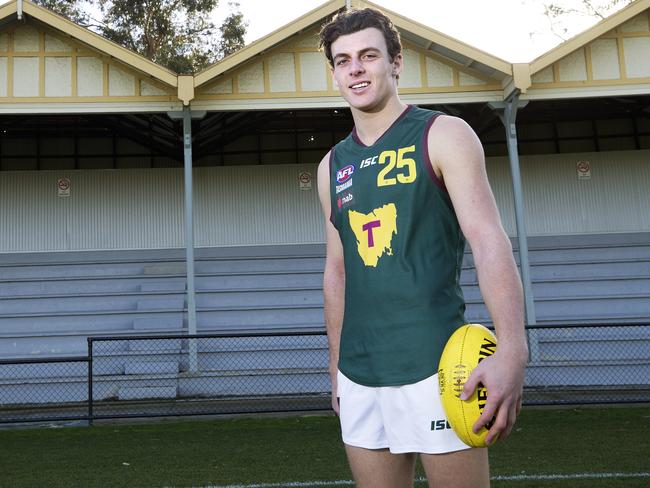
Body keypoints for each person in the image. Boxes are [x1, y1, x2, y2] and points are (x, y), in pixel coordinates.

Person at [316, 7, 529, 488]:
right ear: (333, 73)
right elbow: (337, 272)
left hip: (438, 365)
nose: (355, 68)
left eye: (368, 55)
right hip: (359, 370)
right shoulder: (331, 167)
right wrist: (335, 369)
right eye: (343, 59)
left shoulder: (444, 134)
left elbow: (488, 240)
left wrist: (512, 349)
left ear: (396, 63)